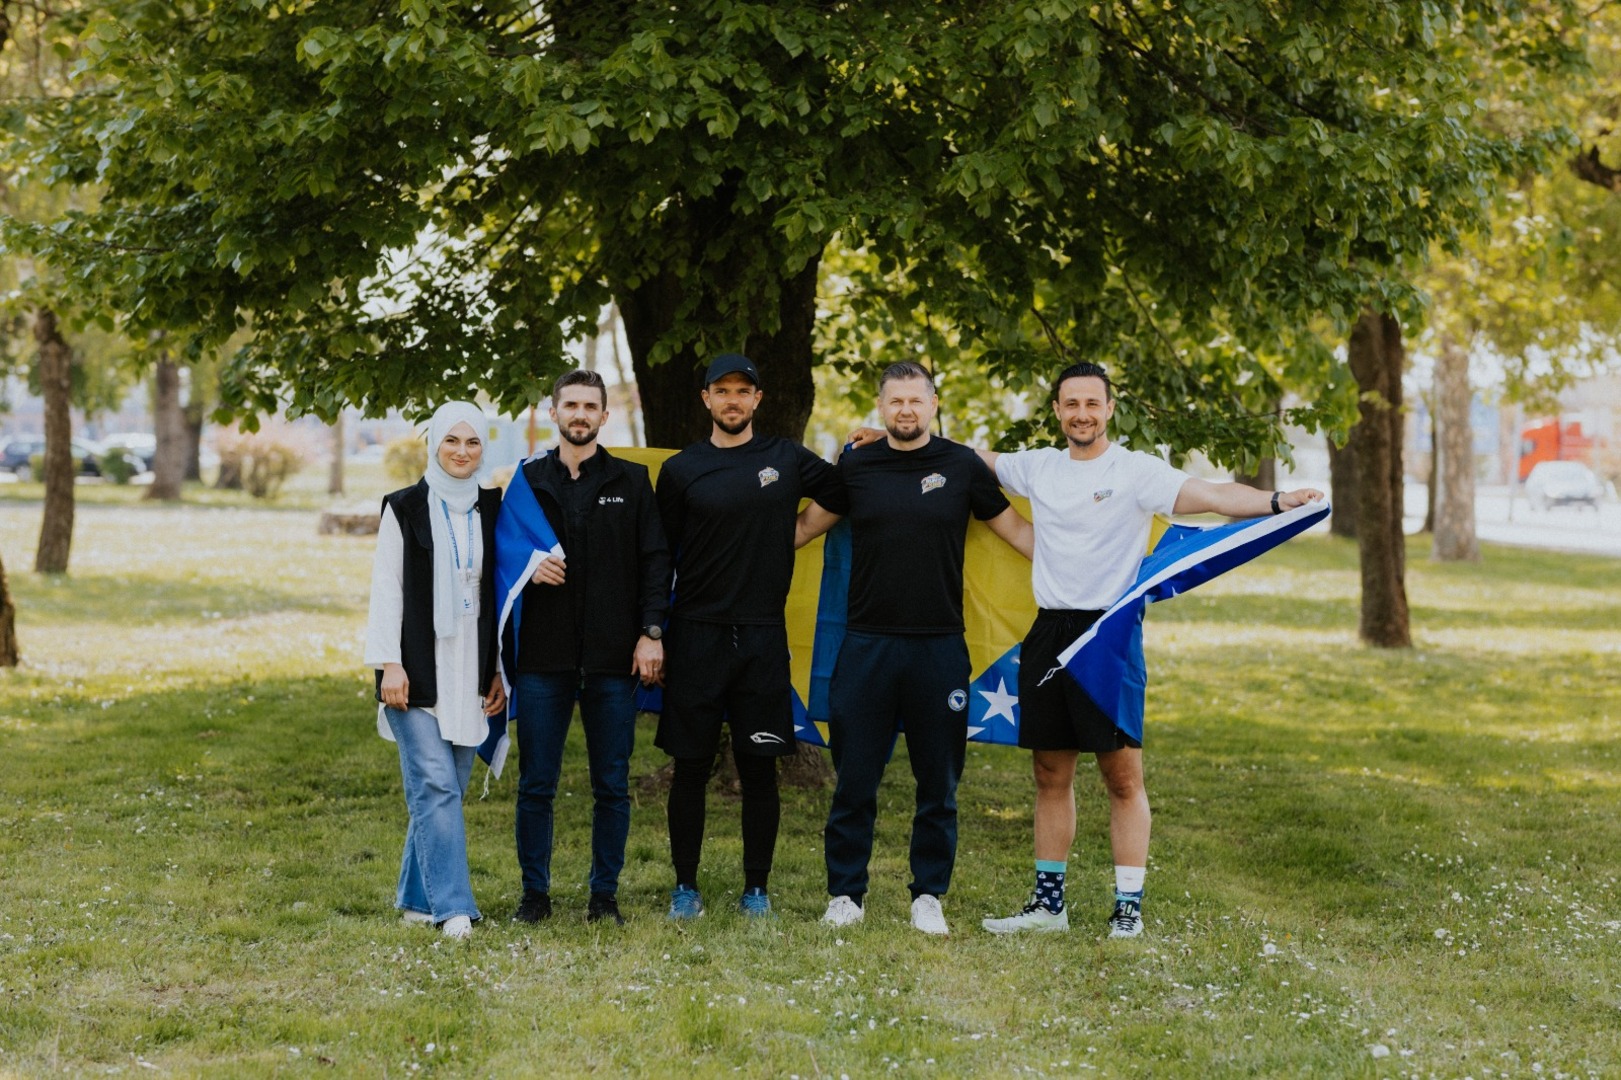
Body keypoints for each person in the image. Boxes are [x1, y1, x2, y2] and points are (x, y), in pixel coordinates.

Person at [974, 361, 1322, 939]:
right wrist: (889, 436)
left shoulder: (1135, 471)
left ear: (1110, 409)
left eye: (1092, 403)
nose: (1082, 414)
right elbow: (970, 459)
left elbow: (1211, 493)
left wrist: (1278, 499)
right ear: (1056, 411)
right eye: (1071, 404)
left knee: (1122, 777)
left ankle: (1128, 909)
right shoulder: (1036, 466)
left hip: (1108, 636)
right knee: (1049, 772)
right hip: (1048, 632)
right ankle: (1049, 908)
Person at [795, 362, 1033, 936]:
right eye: (895, 401)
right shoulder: (856, 465)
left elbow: (1020, 535)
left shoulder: (962, 466)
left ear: (933, 404)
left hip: (939, 648)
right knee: (855, 780)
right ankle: (845, 895)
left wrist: (1098, 560)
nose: (906, 409)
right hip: (866, 646)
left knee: (938, 784)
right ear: (881, 407)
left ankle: (928, 896)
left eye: (915, 400)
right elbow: (803, 529)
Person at [654, 352, 844, 920]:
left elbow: (844, 491)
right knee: (690, 767)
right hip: (696, 634)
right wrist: (653, 630)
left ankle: (756, 890)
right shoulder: (682, 469)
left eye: (743, 391)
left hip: (761, 635)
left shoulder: (785, 457)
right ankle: (685, 887)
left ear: (758, 399)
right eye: (722, 390)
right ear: (706, 399)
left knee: (760, 767)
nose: (732, 400)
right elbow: (658, 554)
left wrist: (796, 532)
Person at [507, 370, 670, 927]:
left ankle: (604, 897)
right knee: (536, 785)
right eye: (570, 405)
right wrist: (529, 568)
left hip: (613, 658)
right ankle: (535, 895)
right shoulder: (526, 483)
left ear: (604, 415)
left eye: (590, 406)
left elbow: (655, 562)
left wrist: (651, 632)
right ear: (554, 413)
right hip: (542, 657)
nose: (580, 414)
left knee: (612, 786)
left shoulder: (632, 480)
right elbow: (501, 554)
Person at [364, 401, 507, 941]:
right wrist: (389, 665)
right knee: (435, 786)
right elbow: (387, 589)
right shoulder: (404, 508)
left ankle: (415, 900)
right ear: (434, 444)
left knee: (448, 789)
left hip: (472, 664)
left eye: (472, 442)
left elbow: (502, 591)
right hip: (416, 665)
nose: (461, 452)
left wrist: (499, 671)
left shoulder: (492, 509)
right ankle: (453, 909)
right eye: (452, 440)